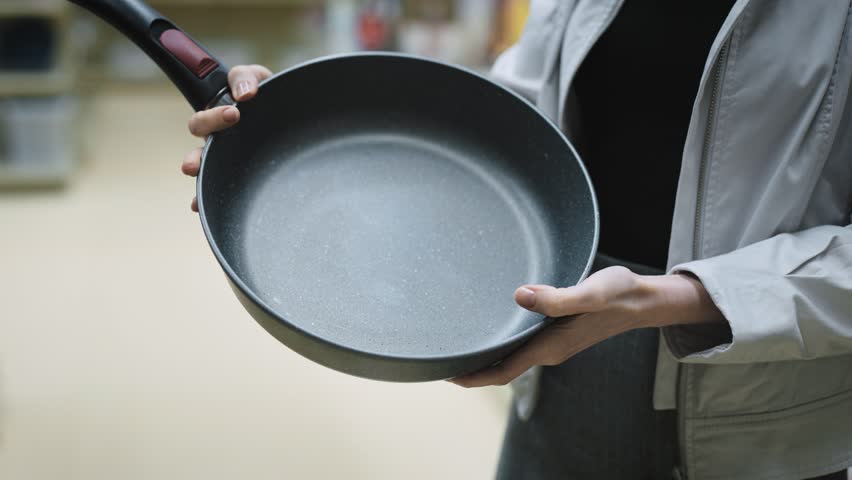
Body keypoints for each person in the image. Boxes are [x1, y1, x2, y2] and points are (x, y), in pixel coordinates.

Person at [180, 1, 852, 479]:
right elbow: (523, 113)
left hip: (764, 404)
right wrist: (304, 142)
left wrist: (682, 297)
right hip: (560, 347)